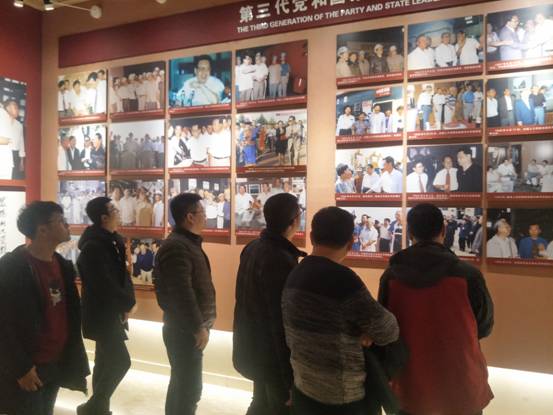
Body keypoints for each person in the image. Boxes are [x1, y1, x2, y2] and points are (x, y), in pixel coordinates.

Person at [378, 203, 494, 415]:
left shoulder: (391, 277)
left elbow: (384, 330)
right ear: (443, 230)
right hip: (461, 382)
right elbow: (484, 327)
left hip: (408, 385)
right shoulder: (468, 275)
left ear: (410, 233)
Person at [282, 207, 399, 414]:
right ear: (351, 241)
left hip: (304, 388)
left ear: (311, 237)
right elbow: (388, 331)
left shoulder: (295, 273)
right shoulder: (344, 281)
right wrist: (365, 333)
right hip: (343, 398)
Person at [0, 201, 89, 415]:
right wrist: (20, 368)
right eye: (60, 221)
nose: (67, 225)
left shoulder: (63, 266)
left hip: (55, 363)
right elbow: (3, 324)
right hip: (27, 366)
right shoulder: (12, 268)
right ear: (42, 230)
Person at [233, 194, 306, 415]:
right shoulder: (280, 259)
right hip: (272, 356)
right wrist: (289, 376)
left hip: (254, 347)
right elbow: (279, 320)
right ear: (294, 220)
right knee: (276, 407)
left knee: (260, 404)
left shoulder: (253, 247)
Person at [153, 193, 217, 415]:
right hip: (184, 330)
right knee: (188, 390)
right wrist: (197, 326)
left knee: (183, 386)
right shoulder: (177, 247)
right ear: (190, 217)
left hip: (186, 328)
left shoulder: (186, 244)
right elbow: (181, 293)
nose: (205, 217)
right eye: (202, 212)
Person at [76, 197, 136, 415]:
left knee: (104, 362)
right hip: (102, 313)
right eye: (114, 209)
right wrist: (125, 303)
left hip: (111, 311)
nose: (118, 212)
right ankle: (93, 407)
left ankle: (99, 409)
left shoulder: (112, 242)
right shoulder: (94, 247)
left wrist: (126, 304)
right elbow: (103, 284)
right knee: (121, 361)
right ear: (103, 217)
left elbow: (121, 276)